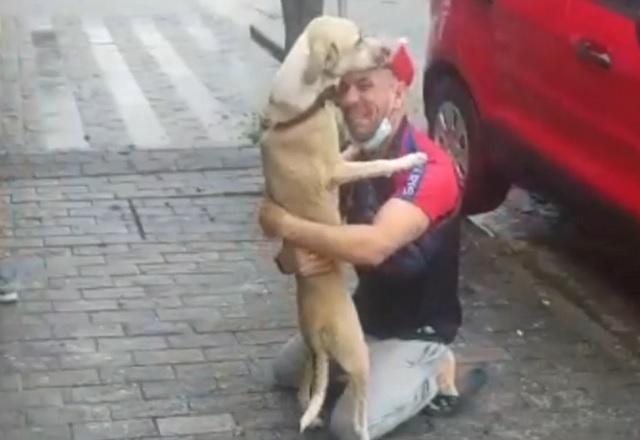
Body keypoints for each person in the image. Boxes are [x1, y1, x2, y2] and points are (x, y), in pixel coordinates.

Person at [258, 42, 464, 439]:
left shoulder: (428, 166)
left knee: (348, 427)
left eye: (366, 86)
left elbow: (374, 245)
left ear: (399, 93)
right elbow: (295, 248)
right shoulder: (346, 160)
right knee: (284, 373)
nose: (351, 99)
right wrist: (292, 258)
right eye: (344, 88)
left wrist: (283, 222)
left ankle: (435, 370)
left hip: (417, 330)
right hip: (364, 316)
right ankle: (372, 359)